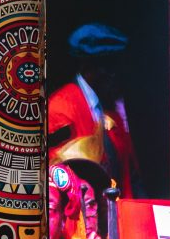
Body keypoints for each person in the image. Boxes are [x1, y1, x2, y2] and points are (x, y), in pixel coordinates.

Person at [48, 23, 142, 198]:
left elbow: (130, 174)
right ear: (87, 66)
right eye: (107, 66)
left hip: (119, 209)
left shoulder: (112, 112)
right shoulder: (60, 108)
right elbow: (56, 179)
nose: (114, 74)